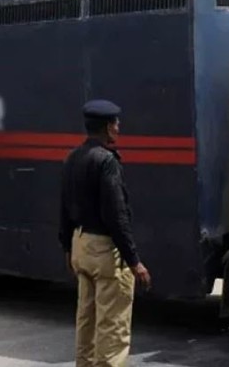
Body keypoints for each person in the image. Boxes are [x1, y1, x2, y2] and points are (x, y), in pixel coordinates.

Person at [59, 99, 151, 367]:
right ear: (108, 128)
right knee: (112, 328)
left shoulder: (72, 157)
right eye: (116, 124)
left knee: (86, 322)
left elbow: (64, 207)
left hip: (81, 246)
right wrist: (134, 261)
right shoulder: (107, 161)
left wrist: (67, 247)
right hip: (105, 252)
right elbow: (116, 215)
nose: (119, 128)